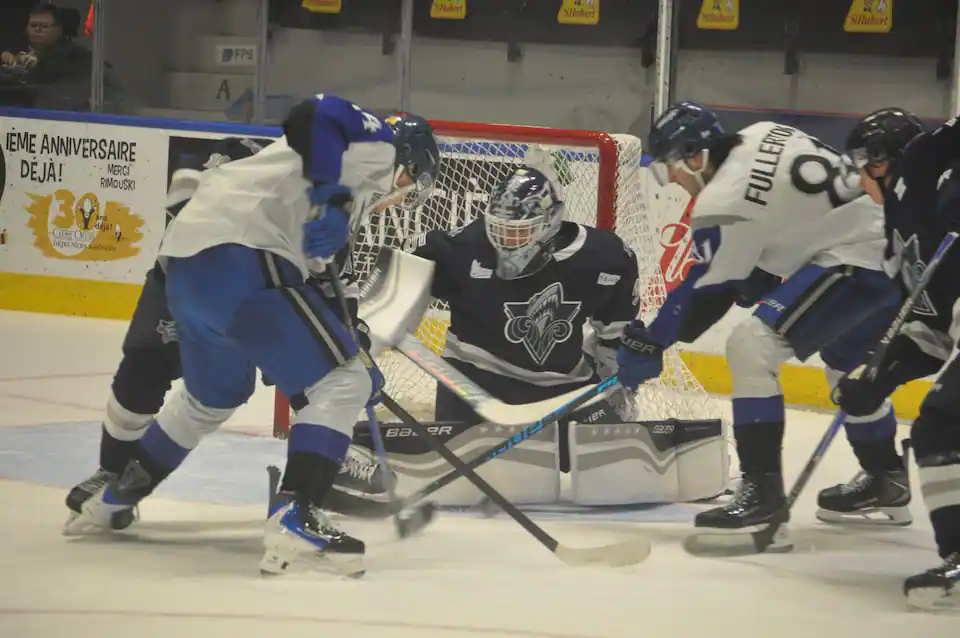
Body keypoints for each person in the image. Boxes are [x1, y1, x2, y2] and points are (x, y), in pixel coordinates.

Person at [64, 94, 441, 578]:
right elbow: (319, 110)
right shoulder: (379, 147)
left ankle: (114, 497)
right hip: (240, 257)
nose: (402, 195)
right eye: (410, 183)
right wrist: (331, 199)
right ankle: (296, 516)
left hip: (186, 271)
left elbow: (317, 290)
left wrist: (348, 339)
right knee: (345, 381)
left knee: (211, 397)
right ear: (408, 166)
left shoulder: (330, 197)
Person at [328, 160, 726, 514]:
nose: (504, 241)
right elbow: (391, 291)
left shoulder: (606, 258)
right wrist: (363, 335)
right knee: (473, 484)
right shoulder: (460, 248)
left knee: (615, 478)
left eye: (517, 232)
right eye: (498, 229)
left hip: (563, 392)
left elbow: (614, 335)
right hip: (474, 386)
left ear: (549, 225)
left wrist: (616, 390)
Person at [615, 101, 902, 552]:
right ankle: (887, 478)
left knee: (751, 346)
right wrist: (762, 270)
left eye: (671, 165)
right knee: (845, 366)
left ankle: (762, 499)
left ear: (695, 156)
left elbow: (707, 293)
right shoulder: (763, 131)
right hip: (897, 248)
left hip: (859, 259)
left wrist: (651, 342)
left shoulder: (722, 201)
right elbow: (795, 210)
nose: (670, 179)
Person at [63, 136, 269, 533]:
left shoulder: (313, 191)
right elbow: (183, 195)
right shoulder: (243, 155)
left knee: (271, 385)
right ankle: (112, 473)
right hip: (182, 280)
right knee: (141, 371)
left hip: (251, 298)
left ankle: (311, 484)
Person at [833, 108, 960, 609]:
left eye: (866, 163)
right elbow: (932, 328)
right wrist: (883, 376)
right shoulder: (901, 225)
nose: (860, 176)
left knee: (944, 425)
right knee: (941, 429)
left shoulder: (926, 167)